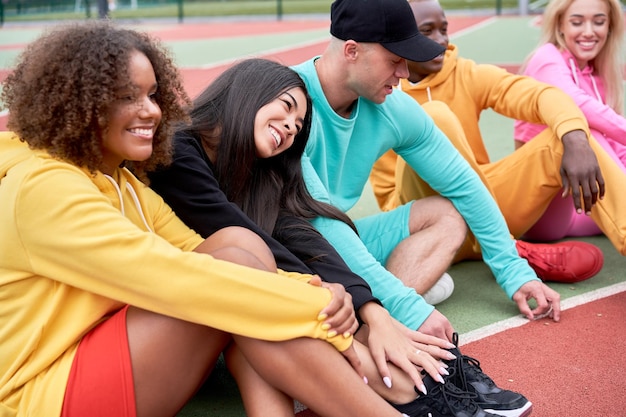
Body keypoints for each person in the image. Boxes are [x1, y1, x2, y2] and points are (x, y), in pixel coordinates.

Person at [0, 21, 413, 417]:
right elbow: (175, 276)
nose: (152, 112)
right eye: (129, 96)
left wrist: (312, 286)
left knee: (238, 245)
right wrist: (318, 309)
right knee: (233, 286)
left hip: (105, 347)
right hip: (50, 393)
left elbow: (192, 248)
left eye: (153, 95)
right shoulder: (43, 188)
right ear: (80, 99)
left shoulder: (121, 181)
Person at [148, 57, 532, 417]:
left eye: (298, 125)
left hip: (231, 324)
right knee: (273, 290)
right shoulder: (179, 149)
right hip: (170, 327)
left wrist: (372, 309)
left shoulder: (255, 168)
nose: (289, 127)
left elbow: (302, 234)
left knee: (288, 305)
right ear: (246, 94)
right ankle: (410, 390)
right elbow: (244, 239)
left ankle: (417, 381)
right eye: (284, 107)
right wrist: (335, 302)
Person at [368, 0, 608, 284]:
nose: (441, 41)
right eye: (427, 32)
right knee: (434, 117)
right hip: (420, 221)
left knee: (564, 138)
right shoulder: (378, 90)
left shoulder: (466, 73)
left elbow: (540, 95)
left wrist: (575, 138)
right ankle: (509, 248)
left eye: (444, 29)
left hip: (482, 207)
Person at [513, 0, 626, 242]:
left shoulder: (599, 75)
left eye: (599, 21)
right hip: (540, 210)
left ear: (610, 26)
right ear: (560, 24)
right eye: (577, 22)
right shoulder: (546, 59)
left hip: (581, 206)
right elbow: (576, 104)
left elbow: (617, 149)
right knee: (581, 133)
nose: (588, 31)